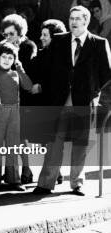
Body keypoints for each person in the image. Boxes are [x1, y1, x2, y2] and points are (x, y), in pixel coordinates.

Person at [33, 6, 111, 196]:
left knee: (81, 143)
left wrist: (93, 92)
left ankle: (77, 183)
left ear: (86, 21)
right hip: (60, 99)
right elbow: (48, 68)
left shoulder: (99, 43)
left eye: (77, 18)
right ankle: (45, 182)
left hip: (84, 100)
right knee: (54, 142)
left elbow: (106, 74)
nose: (73, 22)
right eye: (71, 18)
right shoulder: (59, 40)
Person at [0, 41, 32, 191]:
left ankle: (13, 179)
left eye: (10, 57)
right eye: (4, 56)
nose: (7, 60)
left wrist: (21, 69)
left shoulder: (16, 73)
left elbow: (28, 86)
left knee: (13, 146)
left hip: (15, 112)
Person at [0, 13, 37, 184]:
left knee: (22, 136)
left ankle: (26, 169)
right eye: (5, 34)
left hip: (25, 97)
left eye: (12, 34)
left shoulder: (28, 46)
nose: (8, 37)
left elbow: (27, 73)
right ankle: (12, 171)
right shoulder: (3, 47)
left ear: (20, 33)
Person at [31, 19, 67, 185]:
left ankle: (50, 177)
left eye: (46, 35)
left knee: (52, 141)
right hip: (44, 102)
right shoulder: (43, 53)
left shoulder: (61, 57)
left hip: (55, 103)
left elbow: (58, 81)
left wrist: (41, 85)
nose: (42, 37)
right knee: (47, 142)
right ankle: (56, 173)